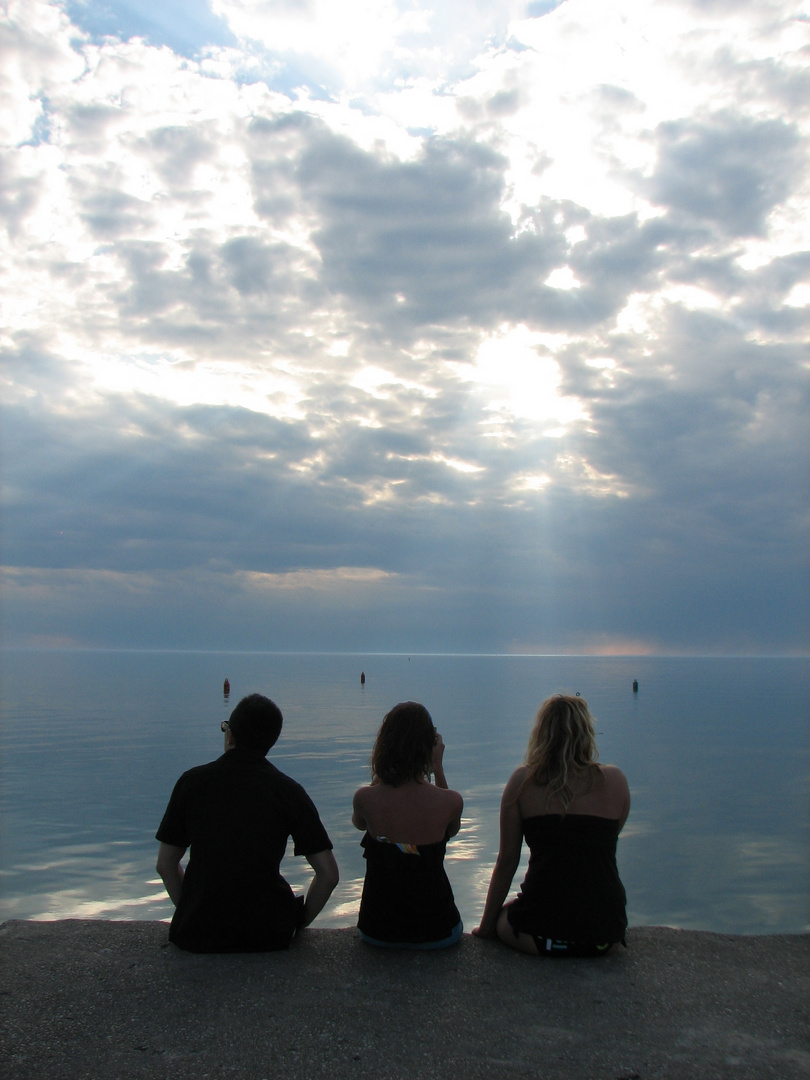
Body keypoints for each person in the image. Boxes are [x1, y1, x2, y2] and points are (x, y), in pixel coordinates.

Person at [156, 693, 339, 952]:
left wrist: (192, 911)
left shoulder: (191, 783)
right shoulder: (288, 792)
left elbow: (165, 865)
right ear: (271, 742)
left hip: (196, 932)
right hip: (269, 932)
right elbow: (328, 875)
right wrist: (298, 923)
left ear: (230, 735)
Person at [473, 694, 630, 957]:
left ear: (542, 733)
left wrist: (487, 927)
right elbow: (601, 843)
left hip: (539, 934)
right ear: (586, 732)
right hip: (605, 935)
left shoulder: (523, 782)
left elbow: (507, 861)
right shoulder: (614, 781)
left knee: (505, 915)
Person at [351, 701, 464, 949]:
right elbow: (451, 830)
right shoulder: (452, 801)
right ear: (429, 747)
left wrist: (386, 769)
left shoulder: (365, 799)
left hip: (377, 930)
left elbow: (360, 824)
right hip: (439, 930)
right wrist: (437, 766)